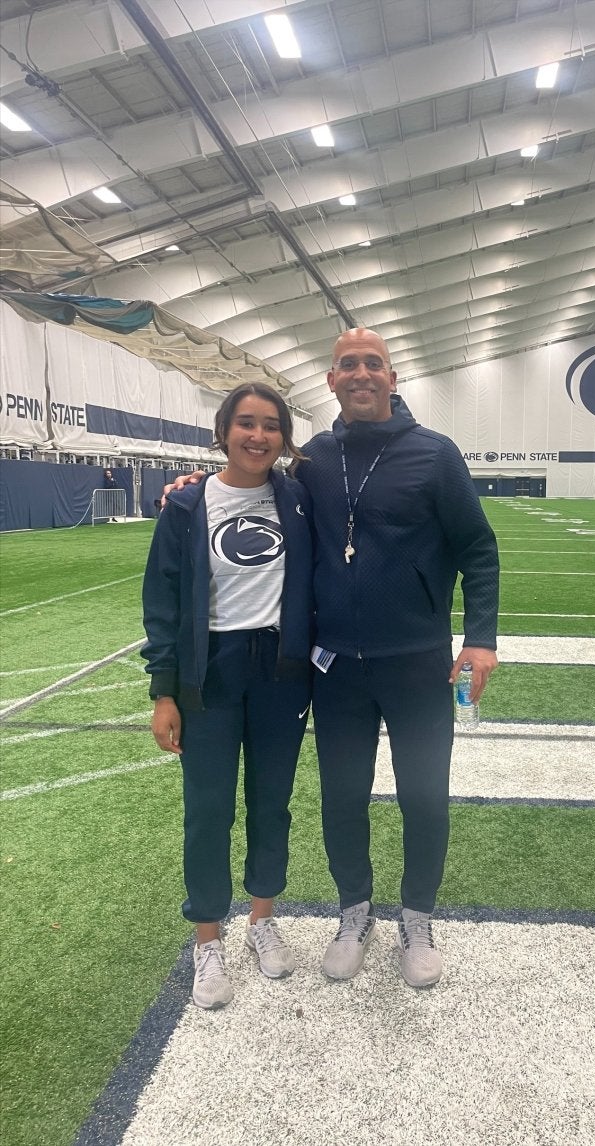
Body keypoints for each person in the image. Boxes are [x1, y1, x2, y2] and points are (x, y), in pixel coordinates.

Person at [165, 329, 499, 989]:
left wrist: (481, 637)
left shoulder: (435, 455)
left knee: (423, 796)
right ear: (331, 380)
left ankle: (417, 919)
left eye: (373, 363)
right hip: (335, 668)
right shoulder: (312, 461)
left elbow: (478, 549)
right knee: (342, 798)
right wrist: (192, 487)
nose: (361, 373)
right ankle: (354, 913)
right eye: (349, 364)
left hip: (417, 663)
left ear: (392, 377)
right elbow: (250, 487)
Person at [142, 382, 314, 1009]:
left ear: (284, 437)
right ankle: (207, 938)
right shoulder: (187, 506)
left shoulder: (299, 498)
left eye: (271, 425)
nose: (257, 436)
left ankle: (262, 919)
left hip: (281, 670)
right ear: (223, 430)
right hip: (210, 671)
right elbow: (161, 603)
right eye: (245, 423)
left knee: (272, 803)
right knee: (208, 809)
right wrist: (165, 691)